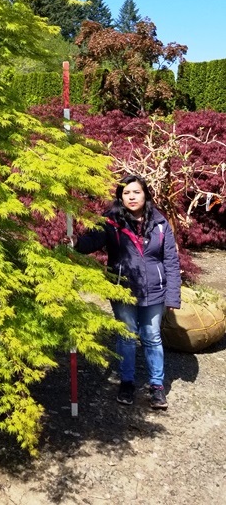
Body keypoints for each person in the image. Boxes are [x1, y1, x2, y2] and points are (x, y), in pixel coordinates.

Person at [69, 175, 181, 409]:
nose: (131, 197)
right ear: (120, 197)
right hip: (123, 289)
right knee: (127, 336)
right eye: (126, 193)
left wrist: (173, 295)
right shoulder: (111, 221)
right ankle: (127, 382)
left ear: (146, 194)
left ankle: (157, 386)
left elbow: (170, 260)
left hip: (154, 290)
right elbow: (93, 241)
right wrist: (76, 243)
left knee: (152, 337)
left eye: (136, 192)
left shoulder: (160, 223)